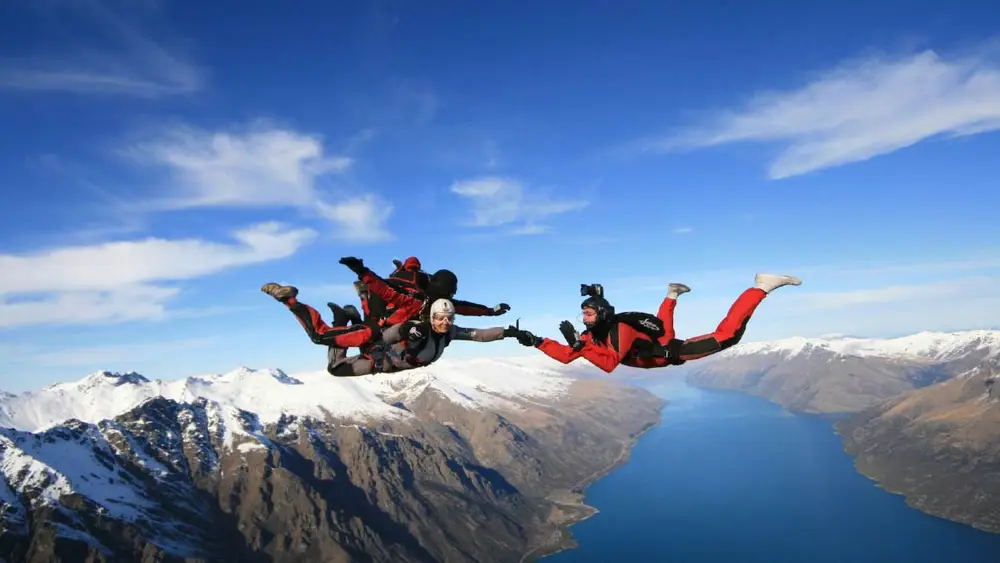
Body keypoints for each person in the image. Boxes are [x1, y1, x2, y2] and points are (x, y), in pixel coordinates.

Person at [509, 273, 802, 373]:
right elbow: (566, 356)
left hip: (668, 353)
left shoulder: (618, 329)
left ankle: (760, 287)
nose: (583, 319)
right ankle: (672, 294)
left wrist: (578, 344)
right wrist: (536, 341)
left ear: (602, 315)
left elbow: (609, 363)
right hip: (658, 347)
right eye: (583, 315)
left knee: (728, 335)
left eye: (588, 314)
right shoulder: (590, 336)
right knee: (664, 330)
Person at [339, 256, 510, 328]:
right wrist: (362, 271)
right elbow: (384, 290)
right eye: (451, 294)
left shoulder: (432, 294)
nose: (451, 298)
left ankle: (364, 297)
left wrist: (491, 311)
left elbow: (463, 307)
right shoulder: (417, 298)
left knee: (377, 308)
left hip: (392, 297)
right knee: (371, 326)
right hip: (389, 313)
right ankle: (363, 296)